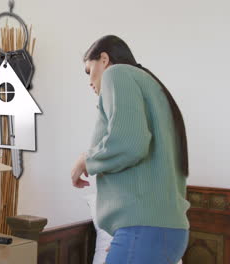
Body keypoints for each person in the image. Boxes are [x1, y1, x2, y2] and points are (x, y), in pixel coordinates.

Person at [71, 35, 190, 263]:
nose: (89, 81)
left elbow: (130, 144)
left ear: (104, 59)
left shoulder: (118, 74)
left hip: (144, 230)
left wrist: (86, 160)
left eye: (89, 70)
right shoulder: (151, 87)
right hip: (163, 232)